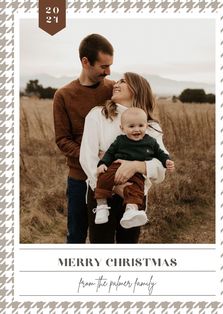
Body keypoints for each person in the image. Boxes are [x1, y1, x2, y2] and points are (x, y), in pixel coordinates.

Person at [80, 72, 171, 243]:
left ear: (136, 90)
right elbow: (87, 158)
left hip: (134, 196)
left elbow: (161, 169)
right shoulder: (98, 115)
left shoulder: (151, 127)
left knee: (128, 245)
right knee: (101, 246)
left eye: (123, 81)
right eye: (117, 80)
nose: (116, 83)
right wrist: (114, 187)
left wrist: (137, 166)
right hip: (101, 194)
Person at [53, 34, 114, 243]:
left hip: (110, 178)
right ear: (85, 62)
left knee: (105, 239)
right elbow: (62, 140)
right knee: (76, 235)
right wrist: (91, 156)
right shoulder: (63, 95)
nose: (108, 72)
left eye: (110, 66)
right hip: (79, 179)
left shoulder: (114, 90)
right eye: (104, 66)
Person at [94, 107, 175, 228]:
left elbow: (160, 154)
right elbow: (110, 153)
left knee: (137, 189)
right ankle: (101, 206)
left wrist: (166, 161)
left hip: (137, 173)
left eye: (140, 126)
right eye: (131, 126)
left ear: (146, 126)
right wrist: (102, 164)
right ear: (122, 128)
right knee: (103, 178)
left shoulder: (151, 142)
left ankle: (131, 210)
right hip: (116, 166)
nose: (136, 130)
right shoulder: (120, 140)